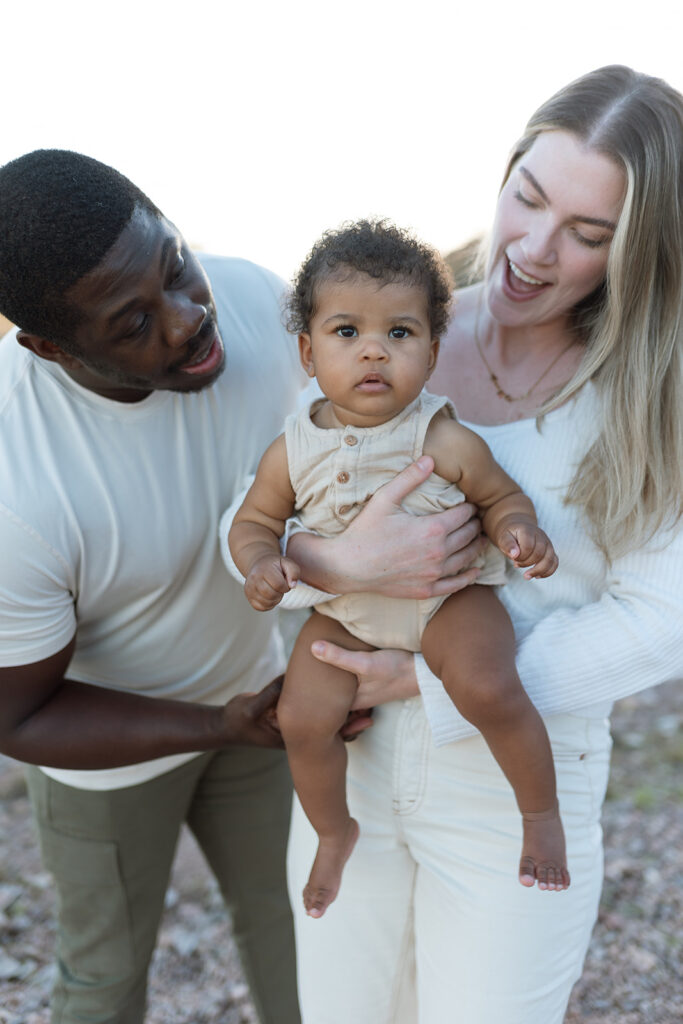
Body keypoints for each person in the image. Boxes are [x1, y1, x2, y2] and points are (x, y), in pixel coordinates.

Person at [220, 65, 683, 1023]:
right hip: (348, 760)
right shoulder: (378, 337)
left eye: (587, 235)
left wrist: (429, 683)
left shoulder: (644, 402)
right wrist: (332, 567)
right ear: (505, 169)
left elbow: (660, 619)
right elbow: (258, 516)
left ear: (635, 253)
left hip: (511, 776)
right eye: (528, 197)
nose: (534, 249)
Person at [0, 148, 314, 1024]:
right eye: (132, 323)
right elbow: (17, 716)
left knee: (307, 935)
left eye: (177, 268)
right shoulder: (16, 490)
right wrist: (214, 725)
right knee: (104, 980)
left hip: (257, 703)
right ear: (48, 347)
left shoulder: (257, 302)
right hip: (104, 761)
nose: (185, 321)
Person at [229, 219, 569, 920]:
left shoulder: (440, 436)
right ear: (306, 350)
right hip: (347, 616)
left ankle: (539, 813)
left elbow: (500, 495)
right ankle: (333, 831)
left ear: (433, 350)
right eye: (346, 331)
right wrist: (263, 563)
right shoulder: (290, 449)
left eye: (401, 333)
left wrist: (518, 531)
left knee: (486, 684)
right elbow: (253, 522)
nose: (374, 350)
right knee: (299, 716)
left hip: (449, 602)